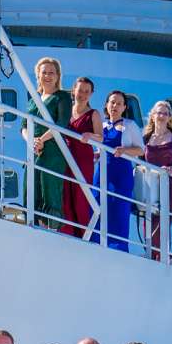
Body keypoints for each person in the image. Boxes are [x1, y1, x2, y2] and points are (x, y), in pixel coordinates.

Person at [24, 57, 72, 229]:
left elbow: (61, 123)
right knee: (31, 190)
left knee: (50, 192)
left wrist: (41, 140)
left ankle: (51, 231)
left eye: (52, 72)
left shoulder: (62, 97)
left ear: (58, 76)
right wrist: (32, 141)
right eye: (44, 72)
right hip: (34, 150)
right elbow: (24, 126)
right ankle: (33, 228)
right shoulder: (33, 98)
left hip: (53, 151)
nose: (47, 76)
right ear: (38, 75)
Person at [96, 90, 144, 252]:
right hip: (101, 172)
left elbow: (141, 150)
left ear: (124, 107)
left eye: (118, 103)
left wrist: (124, 150)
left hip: (120, 174)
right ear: (106, 105)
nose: (114, 106)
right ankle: (96, 242)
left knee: (119, 209)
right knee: (98, 204)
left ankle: (118, 248)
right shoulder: (101, 125)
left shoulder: (130, 125)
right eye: (112, 102)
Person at [141, 100, 172, 260]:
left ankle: (161, 254)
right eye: (158, 113)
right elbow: (140, 161)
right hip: (149, 183)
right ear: (152, 115)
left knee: (164, 219)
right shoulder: (146, 138)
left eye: (165, 113)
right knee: (149, 219)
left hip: (169, 184)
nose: (161, 116)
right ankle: (151, 253)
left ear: (169, 117)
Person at [62, 77, 103, 239]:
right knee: (65, 193)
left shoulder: (93, 114)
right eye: (80, 90)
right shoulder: (66, 111)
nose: (83, 94)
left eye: (87, 91)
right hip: (65, 157)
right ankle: (67, 232)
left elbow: (100, 137)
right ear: (74, 91)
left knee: (81, 196)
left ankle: (83, 235)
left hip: (83, 159)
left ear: (91, 94)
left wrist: (89, 135)